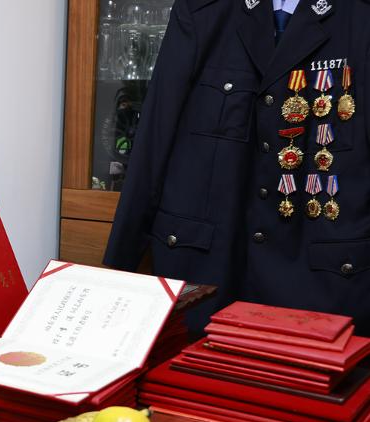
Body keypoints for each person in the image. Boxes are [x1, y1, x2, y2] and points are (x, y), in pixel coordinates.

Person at [104, 0, 370, 332]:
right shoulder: (204, 11)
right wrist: (115, 274)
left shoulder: (359, 16)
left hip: (322, 290)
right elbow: (155, 136)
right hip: (207, 279)